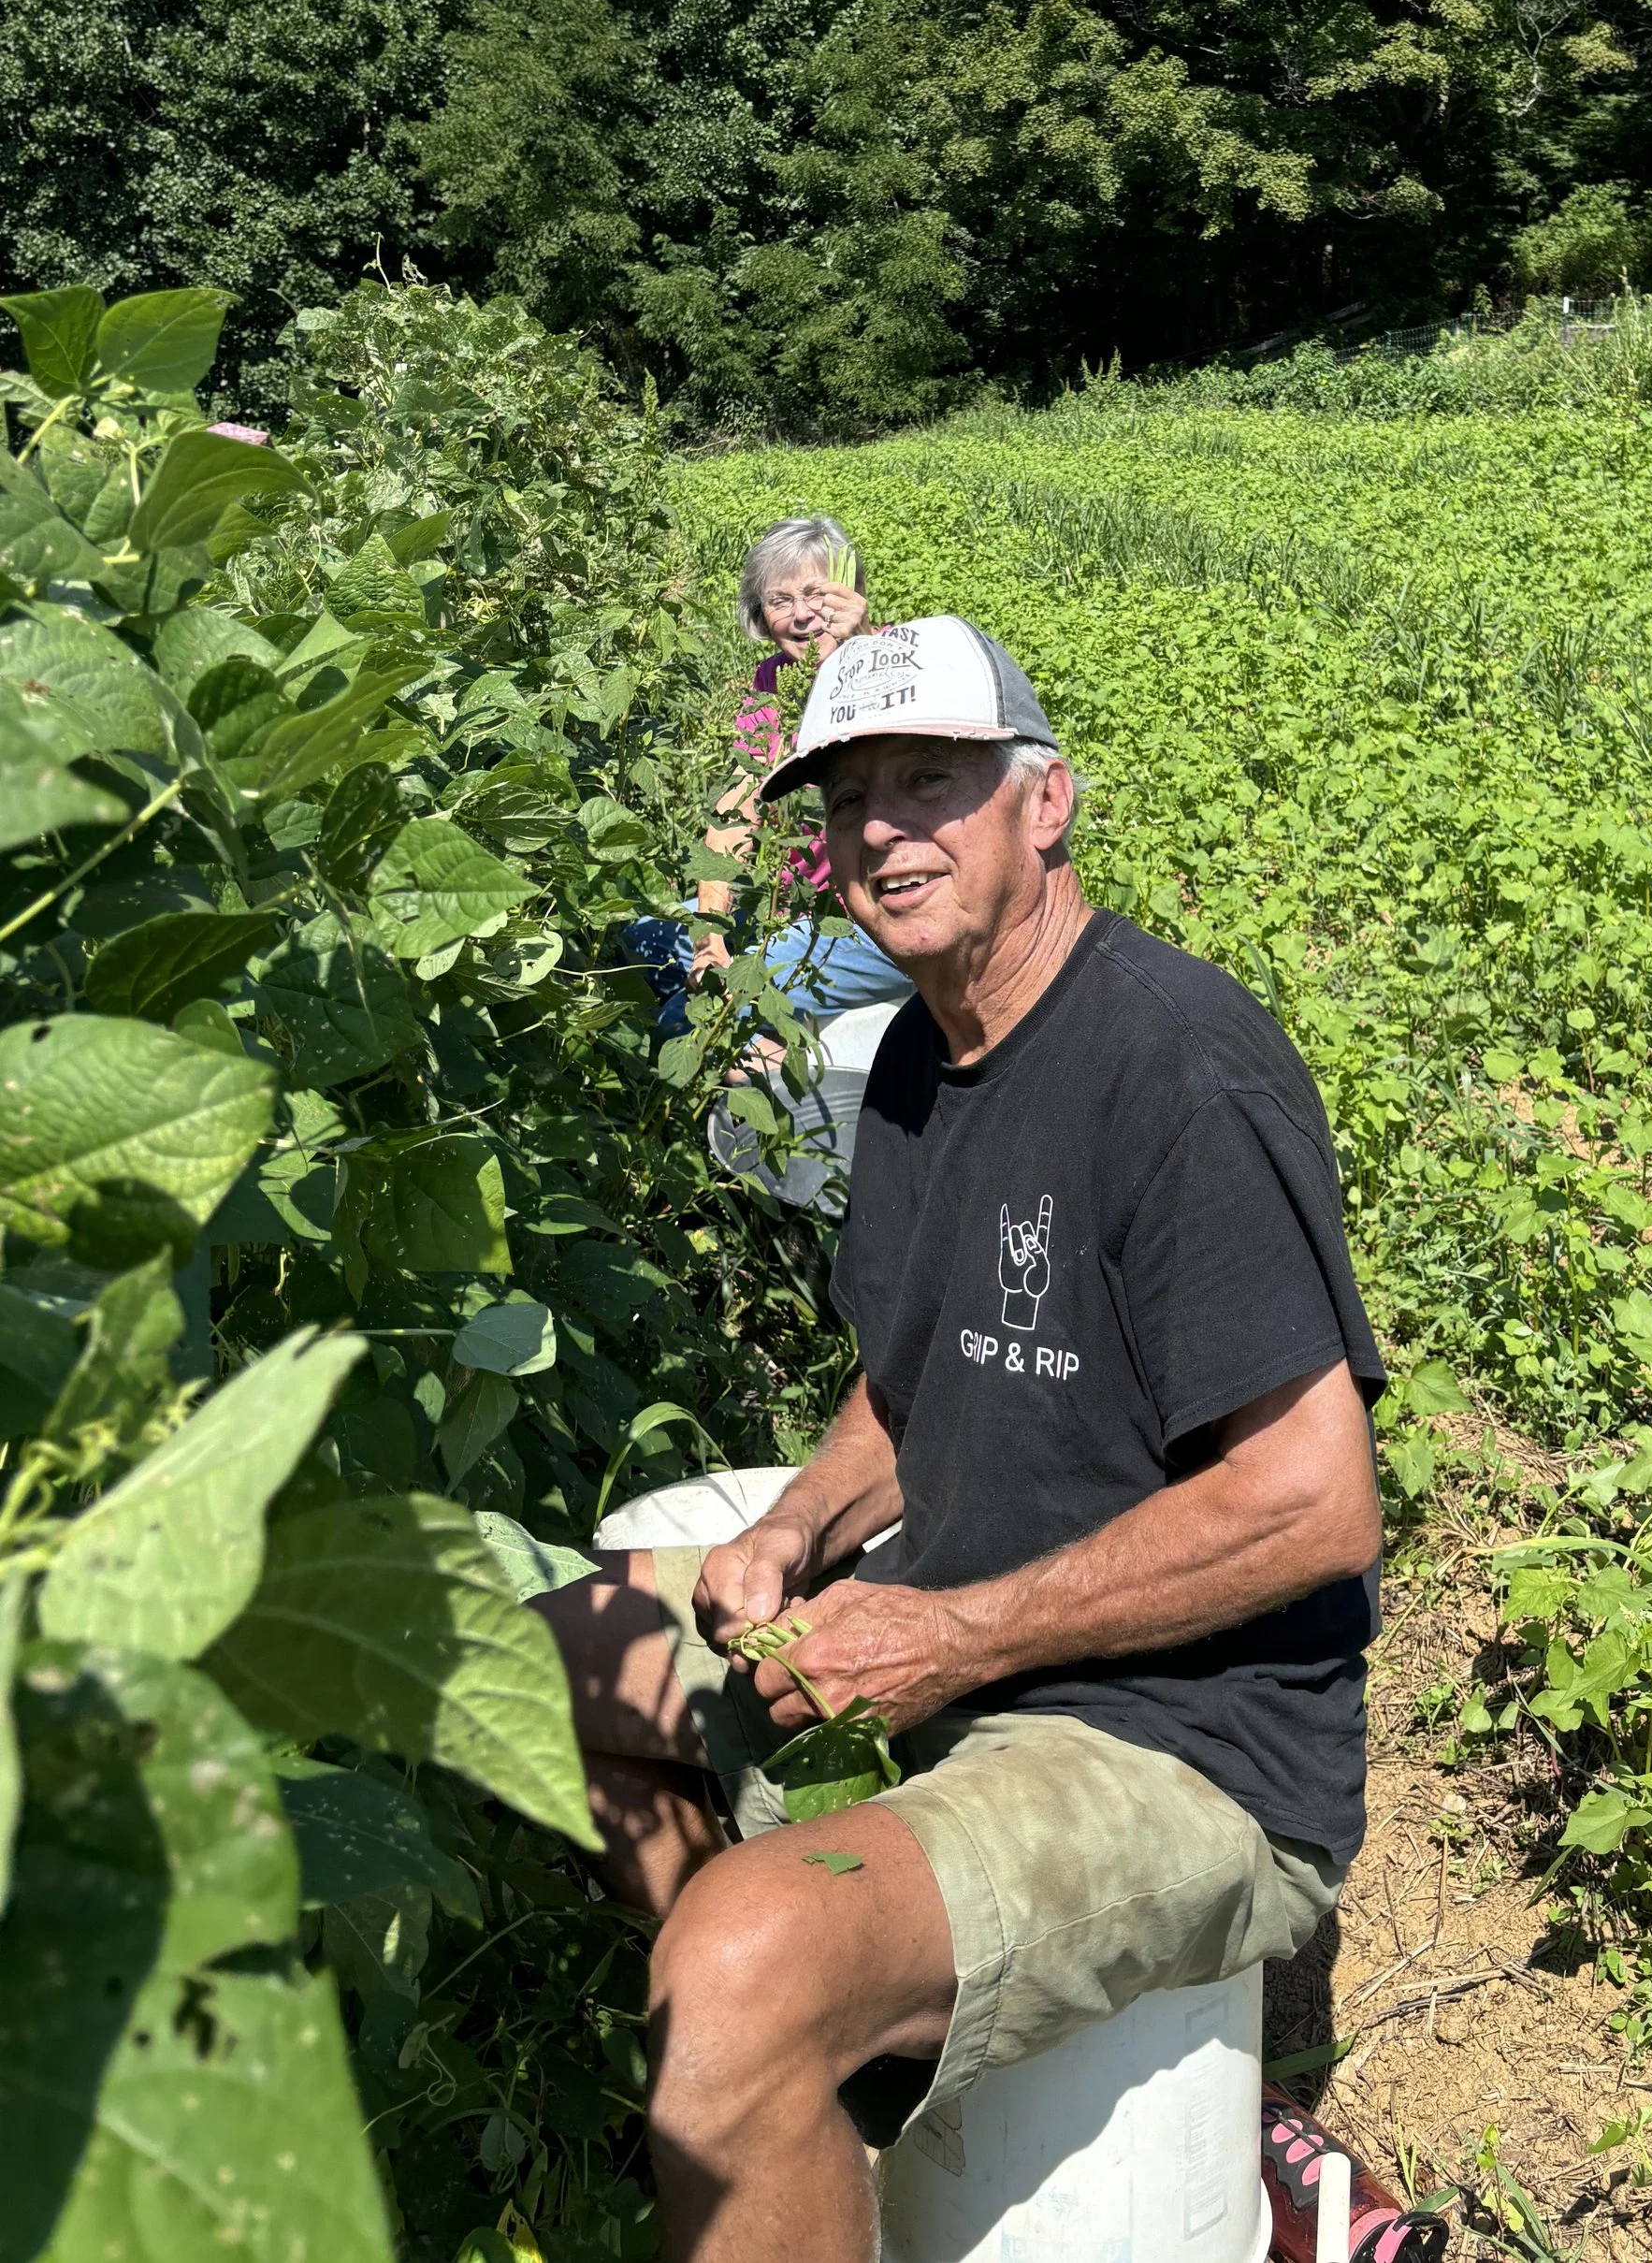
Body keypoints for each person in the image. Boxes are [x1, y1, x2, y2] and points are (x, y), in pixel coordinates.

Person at [548, 616, 1385, 2263]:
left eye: (930, 781)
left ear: (1044, 803)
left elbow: (1315, 1504)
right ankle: (814, 2104)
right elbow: (913, 1381)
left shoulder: (1179, 1072)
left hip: (1185, 1739)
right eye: (849, 796)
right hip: (970, 1628)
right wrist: (800, 1523)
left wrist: (945, 1635)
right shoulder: (926, 1058)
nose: (881, 830)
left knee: (737, 1963)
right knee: (565, 1671)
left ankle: (777, 2027)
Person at [623, 516, 910, 1043]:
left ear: (852, 593)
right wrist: (711, 936)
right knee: (642, 936)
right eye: (780, 601)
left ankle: (772, 1080)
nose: (802, 615)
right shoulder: (771, 682)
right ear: (762, 617)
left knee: (680, 1023)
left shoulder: (900, 663)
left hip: (876, 915)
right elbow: (737, 809)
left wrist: (864, 646)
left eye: (816, 594)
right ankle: (752, 1042)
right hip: (789, 906)